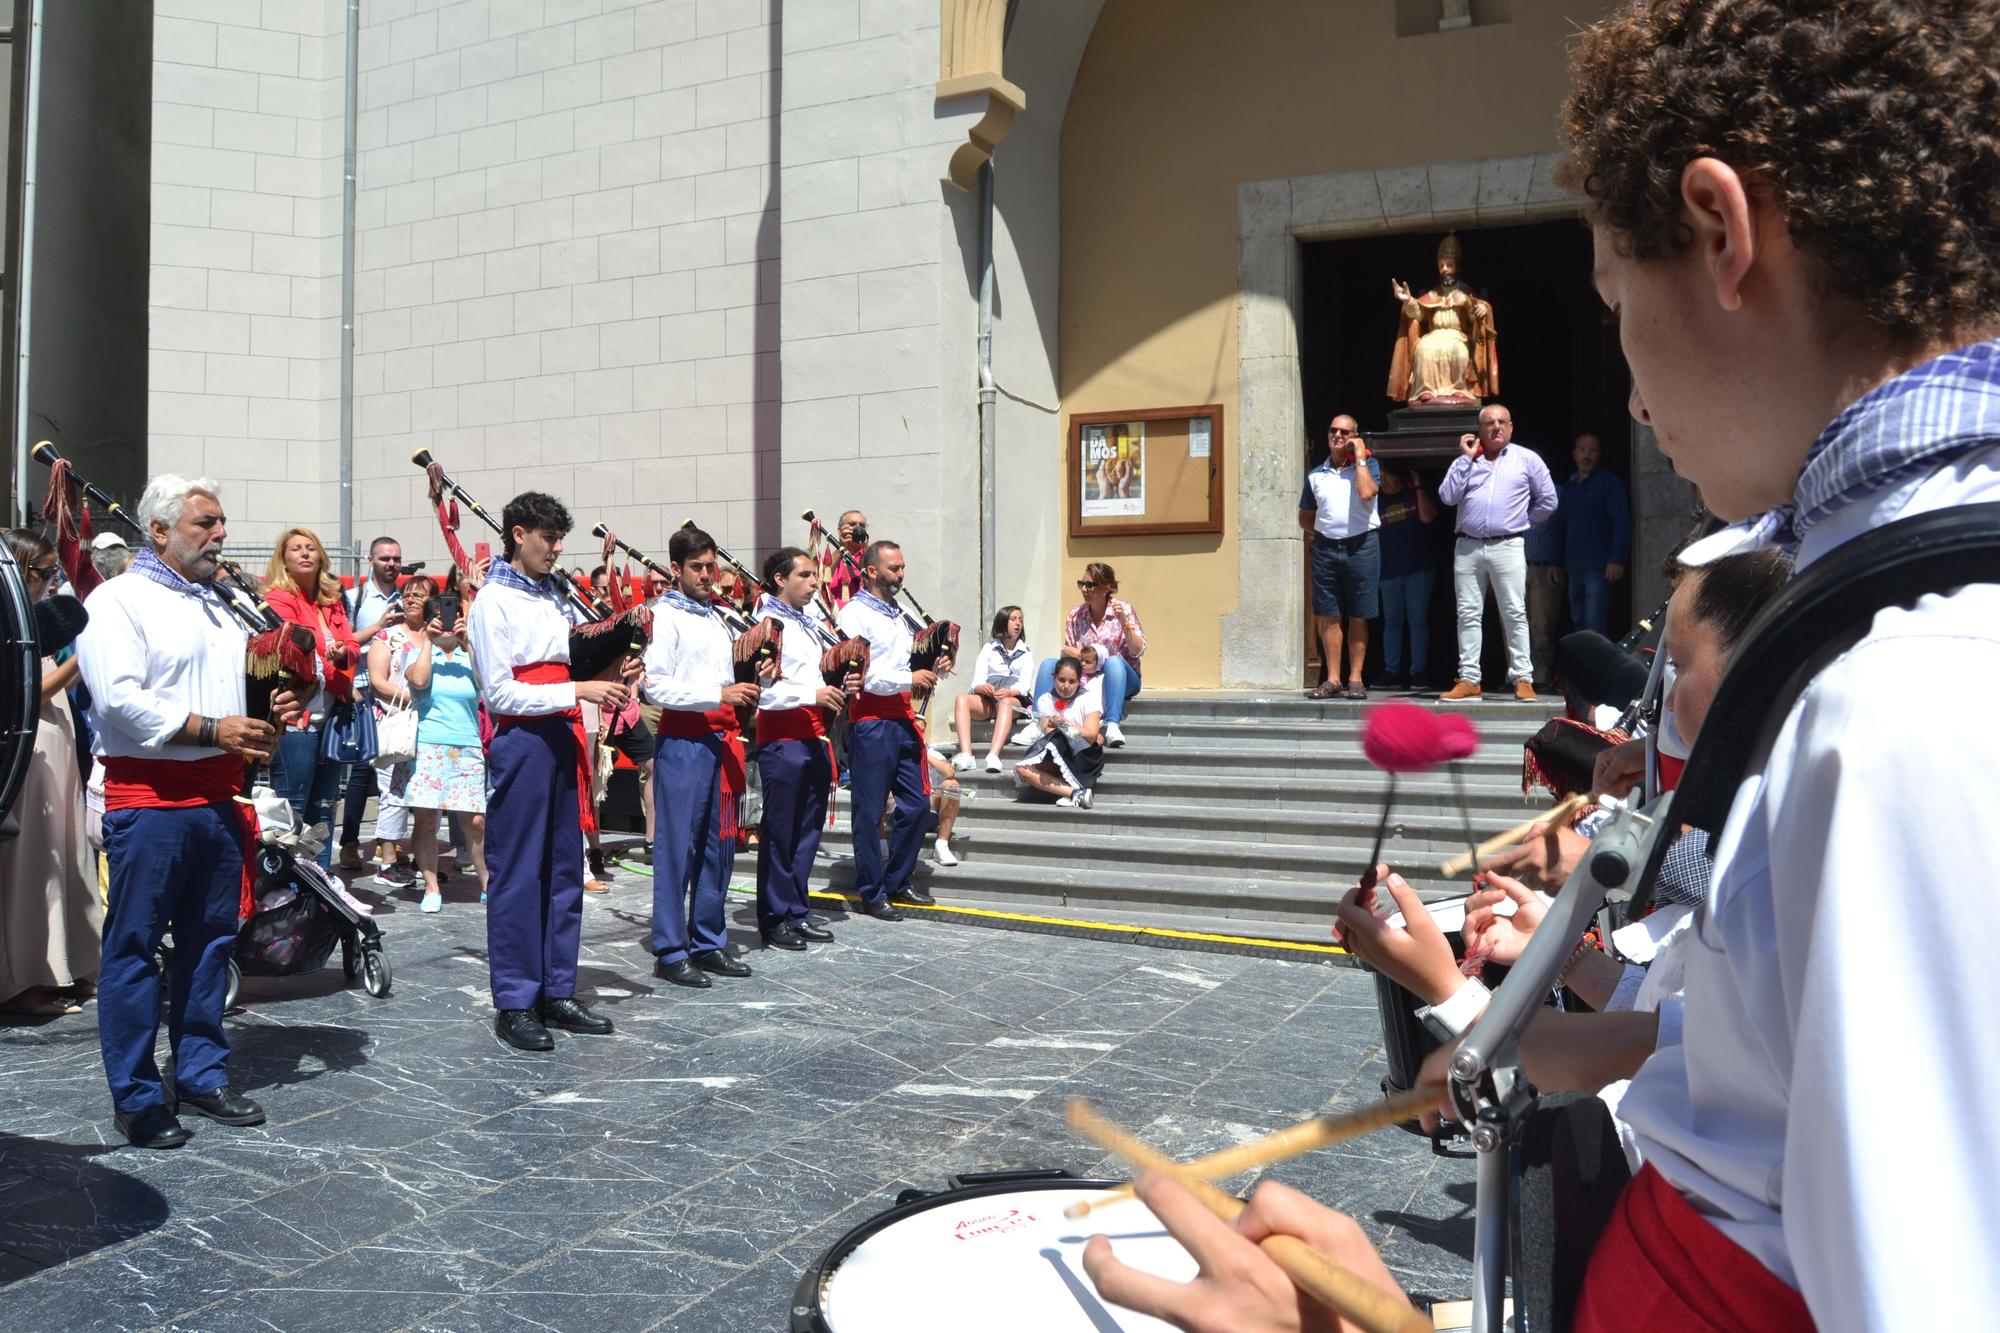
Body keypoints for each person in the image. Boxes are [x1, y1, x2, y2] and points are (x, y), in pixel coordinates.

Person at [1083, 2, 2000, 1327]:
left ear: (1723, 233)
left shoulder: (1911, 705)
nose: (1628, 393)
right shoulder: (1892, 653)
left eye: (1616, 304)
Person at [75, 474, 302, 1148]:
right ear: (162, 530)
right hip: (150, 800)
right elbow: (118, 701)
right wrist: (212, 730)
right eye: (206, 522)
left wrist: (271, 713)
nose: (221, 533)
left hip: (219, 797)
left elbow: (244, 697)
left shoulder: (224, 607)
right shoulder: (116, 600)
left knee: (211, 946)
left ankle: (201, 1075)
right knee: (136, 949)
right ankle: (139, 1096)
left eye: (222, 521)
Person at [466, 491, 624, 1052]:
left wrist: (612, 658)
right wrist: (578, 688)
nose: (557, 548)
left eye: (560, 539)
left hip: (561, 732)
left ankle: (556, 988)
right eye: (547, 537)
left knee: (564, 867)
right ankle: (514, 999)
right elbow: (500, 691)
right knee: (517, 871)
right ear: (517, 534)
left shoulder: (557, 595)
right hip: (523, 738)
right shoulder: (491, 601)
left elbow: (573, 656)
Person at [643, 525, 766, 987]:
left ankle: (708, 940)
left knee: (720, 847)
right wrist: (719, 693)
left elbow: (730, 681)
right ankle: (671, 950)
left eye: (710, 565)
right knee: (678, 848)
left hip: (722, 740)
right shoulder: (664, 617)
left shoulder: (717, 616)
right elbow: (655, 684)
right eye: (696, 567)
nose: (706, 574)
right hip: (684, 740)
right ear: (675, 569)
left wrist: (757, 674)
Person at [1, 530, 100, 1017]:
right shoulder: (7, 615)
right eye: (43, 573)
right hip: (27, 749)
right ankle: (25, 978)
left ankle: (69, 965)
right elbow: (25, 691)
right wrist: (84, 658)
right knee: (34, 864)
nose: (50, 583)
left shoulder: (31, 617)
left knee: (65, 853)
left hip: (55, 744)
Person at [836, 540, 945, 920]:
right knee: (868, 812)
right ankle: (872, 890)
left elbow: (914, 657)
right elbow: (860, 674)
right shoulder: (853, 614)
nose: (901, 574)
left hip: (901, 718)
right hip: (870, 720)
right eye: (893, 568)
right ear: (870, 571)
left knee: (916, 807)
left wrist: (935, 660)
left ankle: (897, 879)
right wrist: (908, 677)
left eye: (902, 567)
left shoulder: (900, 612)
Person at [752, 546, 851, 949]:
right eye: (806, 576)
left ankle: (797, 909)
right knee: (780, 832)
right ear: (780, 578)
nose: (815, 583)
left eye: (814, 576)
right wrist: (814, 693)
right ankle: (774, 917)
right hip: (782, 738)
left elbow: (816, 673)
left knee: (808, 831)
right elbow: (763, 694)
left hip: (813, 736)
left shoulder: (809, 621)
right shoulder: (764, 624)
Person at [1436, 403, 1557, 702]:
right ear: (1480, 430)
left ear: (1512, 427)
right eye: (1489, 423)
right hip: (1468, 545)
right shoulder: (1466, 461)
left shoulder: (1527, 459)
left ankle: (1523, 678)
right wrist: (1465, 459)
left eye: (1502, 422)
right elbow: (1447, 496)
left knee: (1515, 612)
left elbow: (1548, 500)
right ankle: (1469, 678)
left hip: (1508, 544)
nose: (1496, 427)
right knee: (1467, 614)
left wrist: (1523, 522)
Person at [261, 527, 359, 867]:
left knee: (325, 806)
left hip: (332, 716)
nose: (304, 553)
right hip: (297, 718)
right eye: (296, 549)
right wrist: (329, 650)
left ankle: (322, 880)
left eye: (311, 548)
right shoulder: (277, 600)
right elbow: (291, 648)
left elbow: (353, 645)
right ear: (284, 560)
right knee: (294, 805)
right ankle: (288, 885)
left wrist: (342, 652)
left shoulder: (333, 600)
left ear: (321, 557)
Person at [397, 590, 488, 914]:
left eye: (453, 615)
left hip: (467, 746)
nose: (449, 622)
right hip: (428, 745)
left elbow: (486, 685)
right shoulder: (418, 652)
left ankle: (487, 883)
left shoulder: (468, 655)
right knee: (426, 819)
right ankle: (432, 886)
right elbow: (419, 682)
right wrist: (428, 641)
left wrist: (467, 643)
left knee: (475, 821)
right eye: (442, 616)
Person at [1297, 416, 1382, 699]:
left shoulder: (1369, 466)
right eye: (1332, 429)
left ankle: (1355, 678)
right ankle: (1332, 679)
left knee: (1359, 615)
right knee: (1328, 614)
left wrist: (1359, 456)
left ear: (1355, 436)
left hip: (1362, 546)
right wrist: (1328, 533)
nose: (1337, 434)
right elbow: (1305, 518)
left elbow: (1367, 492)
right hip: (1326, 548)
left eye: (1344, 431)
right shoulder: (1315, 474)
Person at [363, 577, 435, 895]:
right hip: (396, 724)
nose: (411, 599)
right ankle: (388, 860)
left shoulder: (438, 637)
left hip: (432, 726)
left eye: (419, 595)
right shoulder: (387, 636)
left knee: (426, 797)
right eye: (407, 594)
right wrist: (413, 700)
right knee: (394, 793)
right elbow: (378, 681)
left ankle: (424, 862)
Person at [338, 536, 404, 871]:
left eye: (396, 559)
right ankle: (349, 842)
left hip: (396, 697)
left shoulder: (408, 599)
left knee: (396, 768)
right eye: (384, 559)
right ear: (370, 560)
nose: (391, 564)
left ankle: (387, 842)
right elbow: (343, 644)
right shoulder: (355, 599)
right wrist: (349, 685)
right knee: (362, 772)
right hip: (363, 692)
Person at [1032, 562, 1144, 747]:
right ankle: (1037, 721)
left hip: (1120, 677)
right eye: (1081, 584)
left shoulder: (1123, 610)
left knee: (1114, 661)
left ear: (1106, 587)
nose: (1084, 589)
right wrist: (1068, 651)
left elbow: (1138, 650)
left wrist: (1125, 622)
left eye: (1090, 585)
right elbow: (1068, 655)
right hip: (1087, 679)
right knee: (1049, 664)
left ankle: (1112, 723)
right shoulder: (1076, 615)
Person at [1549, 432, 1631, 636]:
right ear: (1574, 454)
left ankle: (1597, 668)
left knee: (1594, 624)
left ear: (1599, 454)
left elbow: (1621, 523)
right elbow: (1560, 526)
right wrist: (1555, 562)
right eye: (1583, 450)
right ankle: (1583, 667)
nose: (1587, 455)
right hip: (1573, 567)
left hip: (1599, 568)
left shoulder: (1609, 484)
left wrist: (1617, 559)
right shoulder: (1569, 487)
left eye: (1592, 450)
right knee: (1578, 621)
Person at [1373, 468, 1438, 692]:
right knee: (1392, 622)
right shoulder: (1377, 501)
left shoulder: (1414, 494)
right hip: (1389, 571)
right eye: (1380, 477)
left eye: (1389, 475)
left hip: (1418, 568)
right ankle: (1392, 671)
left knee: (1417, 621)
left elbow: (1428, 517)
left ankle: (1418, 672)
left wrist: (1418, 486)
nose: (1385, 481)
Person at [1014, 653, 1103, 808]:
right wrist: (1054, 724)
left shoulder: (1088, 699)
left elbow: (1091, 735)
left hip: (1083, 754)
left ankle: (1073, 790)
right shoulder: (1045, 700)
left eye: (1072, 681)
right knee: (1022, 769)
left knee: (1057, 741)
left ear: (1079, 682)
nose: (1066, 686)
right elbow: (1048, 734)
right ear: (1054, 678)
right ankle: (1074, 793)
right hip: (1056, 751)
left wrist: (1066, 725)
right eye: (1061, 680)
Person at [954, 605, 1031, 771]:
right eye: (1013, 619)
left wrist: (1010, 692)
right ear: (1003, 622)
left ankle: (994, 755)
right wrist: (983, 688)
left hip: (1013, 699)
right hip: (990, 698)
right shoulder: (989, 649)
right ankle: (967, 755)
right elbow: (976, 682)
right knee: (962, 699)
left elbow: (1024, 687)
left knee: (1006, 704)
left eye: (1021, 620)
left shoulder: (1025, 653)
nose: (1018, 623)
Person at [1522, 491, 1564, 689]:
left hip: (1545, 568)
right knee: (1514, 625)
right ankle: (1519, 677)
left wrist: (1557, 561)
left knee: (1542, 625)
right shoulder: (1513, 490)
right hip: (1513, 567)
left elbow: (1562, 528)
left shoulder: (1555, 492)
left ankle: (1541, 676)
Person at [816, 509, 868, 611]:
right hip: (836, 615)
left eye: (862, 526)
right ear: (840, 530)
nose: (858, 528)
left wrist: (865, 546)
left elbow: (872, 579)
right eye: (853, 524)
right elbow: (820, 581)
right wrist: (841, 547)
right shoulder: (831, 557)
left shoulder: (870, 553)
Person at [926, 747, 966, 865]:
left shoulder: (932, 754)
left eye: (922, 731)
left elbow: (950, 772)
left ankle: (941, 844)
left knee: (951, 785)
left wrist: (922, 752)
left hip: (928, 809)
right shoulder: (893, 748)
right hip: (901, 810)